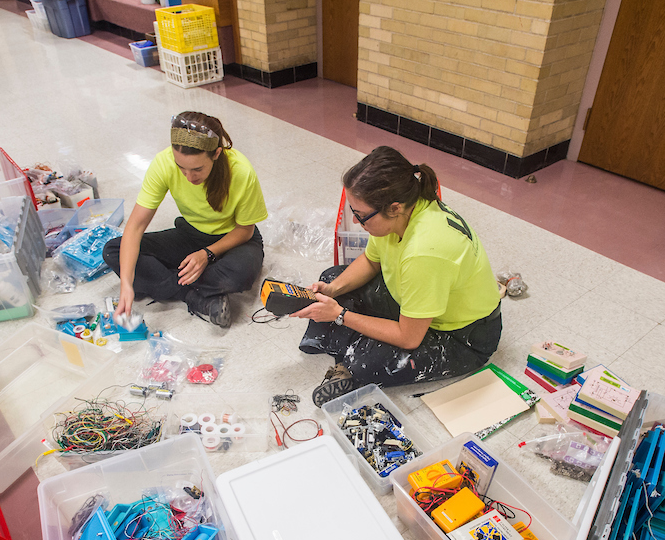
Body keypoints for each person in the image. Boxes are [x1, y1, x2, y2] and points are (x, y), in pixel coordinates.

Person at [293, 146, 503, 405]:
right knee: (334, 276)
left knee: (366, 361)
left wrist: (339, 315)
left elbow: (408, 336)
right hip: (416, 303)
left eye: (361, 216)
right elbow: (371, 261)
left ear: (393, 208)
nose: (357, 222)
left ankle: (346, 352)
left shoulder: (425, 252)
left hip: (462, 337)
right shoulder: (408, 210)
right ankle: (344, 336)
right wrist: (333, 290)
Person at [103, 112, 267, 327]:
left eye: (198, 169)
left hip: (234, 240)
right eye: (181, 168)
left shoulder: (241, 171)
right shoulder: (163, 163)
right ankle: (195, 297)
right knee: (113, 250)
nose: (189, 177)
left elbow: (245, 230)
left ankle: (167, 283)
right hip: (190, 235)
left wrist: (207, 254)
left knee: (238, 275)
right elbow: (135, 226)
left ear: (216, 154)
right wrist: (126, 283)